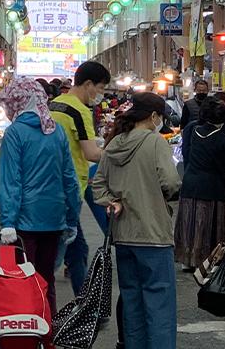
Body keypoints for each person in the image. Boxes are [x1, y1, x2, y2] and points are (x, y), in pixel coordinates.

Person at [91, 92, 181, 349]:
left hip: (123, 236)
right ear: (153, 116)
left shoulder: (114, 142)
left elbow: (98, 185)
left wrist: (113, 202)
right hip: (153, 234)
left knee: (132, 301)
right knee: (159, 303)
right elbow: (171, 182)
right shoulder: (155, 142)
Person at [0, 77, 82, 317]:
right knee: (46, 279)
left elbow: (11, 181)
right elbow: (70, 179)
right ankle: (47, 329)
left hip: (24, 221)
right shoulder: (57, 131)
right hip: (54, 219)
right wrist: (72, 217)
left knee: (22, 279)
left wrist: (8, 222)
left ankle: (25, 331)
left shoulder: (15, 133)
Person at [49, 60, 111, 295]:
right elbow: (92, 153)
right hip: (70, 188)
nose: (101, 95)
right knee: (63, 252)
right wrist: (121, 156)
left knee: (73, 249)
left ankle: (83, 303)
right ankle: (77, 305)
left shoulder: (55, 105)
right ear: (88, 84)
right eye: (101, 88)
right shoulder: (79, 110)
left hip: (53, 185)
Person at [175, 99, 225, 270]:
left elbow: (185, 153)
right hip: (212, 187)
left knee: (189, 223)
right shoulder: (222, 139)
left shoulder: (191, 131)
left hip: (190, 182)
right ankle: (208, 260)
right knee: (208, 225)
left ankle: (187, 260)